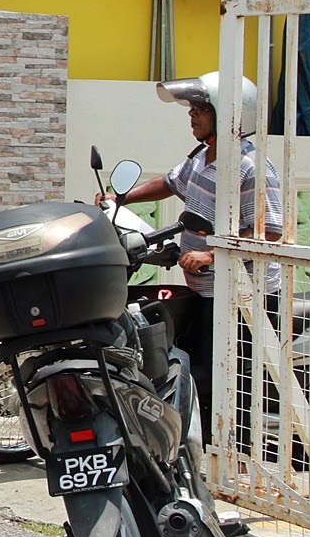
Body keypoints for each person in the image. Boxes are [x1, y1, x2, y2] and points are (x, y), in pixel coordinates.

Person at [103, 71, 282, 434]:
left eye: (201, 108)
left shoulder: (250, 167)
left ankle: (235, 449)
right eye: (193, 108)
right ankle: (208, 443)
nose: (192, 114)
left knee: (228, 380)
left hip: (243, 296)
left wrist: (211, 255)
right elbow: (170, 183)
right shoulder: (202, 157)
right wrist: (120, 198)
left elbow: (270, 231)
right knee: (199, 370)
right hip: (207, 290)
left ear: (230, 115)